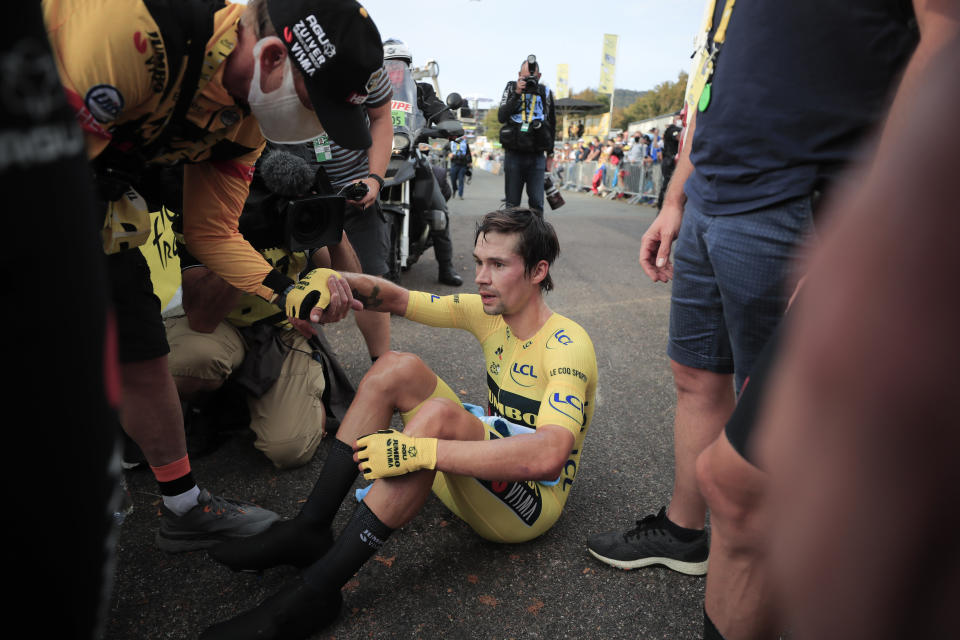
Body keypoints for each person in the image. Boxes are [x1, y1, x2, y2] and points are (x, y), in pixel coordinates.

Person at [588, 3, 928, 639]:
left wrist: (871, 228)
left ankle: (790, 589)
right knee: (695, 376)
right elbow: (713, 83)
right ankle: (686, 534)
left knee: (774, 438)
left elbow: (944, 40)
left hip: (800, 200)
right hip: (713, 195)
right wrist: (673, 198)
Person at [42, 0, 376, 551]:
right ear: (271, 59)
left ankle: (183, 506)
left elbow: (212, 231)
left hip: (98, 207)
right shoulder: (132, 31)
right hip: (37, 180)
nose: (315, 128)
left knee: (142, 351)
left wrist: (288, 290)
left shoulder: (246, 121)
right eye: (316, 107)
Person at [202, 208, 598, 640]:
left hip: (528, 507)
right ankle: (310, 527)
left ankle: (317, 591)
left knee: (442, 418)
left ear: (539, 271)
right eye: (479, 261)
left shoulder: (567, 345)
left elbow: (548, 456)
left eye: (498, 265)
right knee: (395, 366)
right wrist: (334, 281)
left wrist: (420, 450)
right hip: (481, 468)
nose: (481, 277)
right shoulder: (490, 313)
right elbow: (397, 299)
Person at [166, 152, 361, 470]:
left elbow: (351, 281)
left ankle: (258, 403)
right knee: (189, 361)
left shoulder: (292, 212)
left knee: (290, 449)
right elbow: (202, 318)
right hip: (222, 327)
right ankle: (206, 408)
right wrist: (239, 246)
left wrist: (331, 222)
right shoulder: (205, 215)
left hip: (280, 330)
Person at [303, 60, 394, 361]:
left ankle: (382, 363)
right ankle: (300, 361)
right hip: (298, 189)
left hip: (354, 192)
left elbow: (381, 117)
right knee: (303, 281)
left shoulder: (369, 64)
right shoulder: (289, 64)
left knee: (369, 281)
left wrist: (374, 178)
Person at [383, 38, 463, 286]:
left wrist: (448, 125)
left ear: (408, 67)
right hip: (378, 157)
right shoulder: (370, 92)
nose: (394, 70)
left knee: (439, 212)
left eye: (400, 65)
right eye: (388, 65)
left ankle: (446, 268)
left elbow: (441, 113)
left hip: (412, 153)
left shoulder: (422, 91)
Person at [497, 55, 557, 212]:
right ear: (518, 75)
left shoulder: (545, 92)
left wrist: (550, 154)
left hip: (537, 155)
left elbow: (552, 124)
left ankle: (537, 236)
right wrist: (517, 93)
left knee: (537, 203)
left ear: (539, 76)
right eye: (524, 77)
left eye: (532, 77)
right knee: (512, 204)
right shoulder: (511, 87)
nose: (529, 80)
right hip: (513, 154)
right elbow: (501, 117)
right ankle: (512, 236)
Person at [656, 113, 682, 210]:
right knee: (668, 184)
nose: (680, 120)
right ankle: (662, 206)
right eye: (678, 118)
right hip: (670, 161)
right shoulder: (672, 129)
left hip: (676, 160)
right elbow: (678, 137)